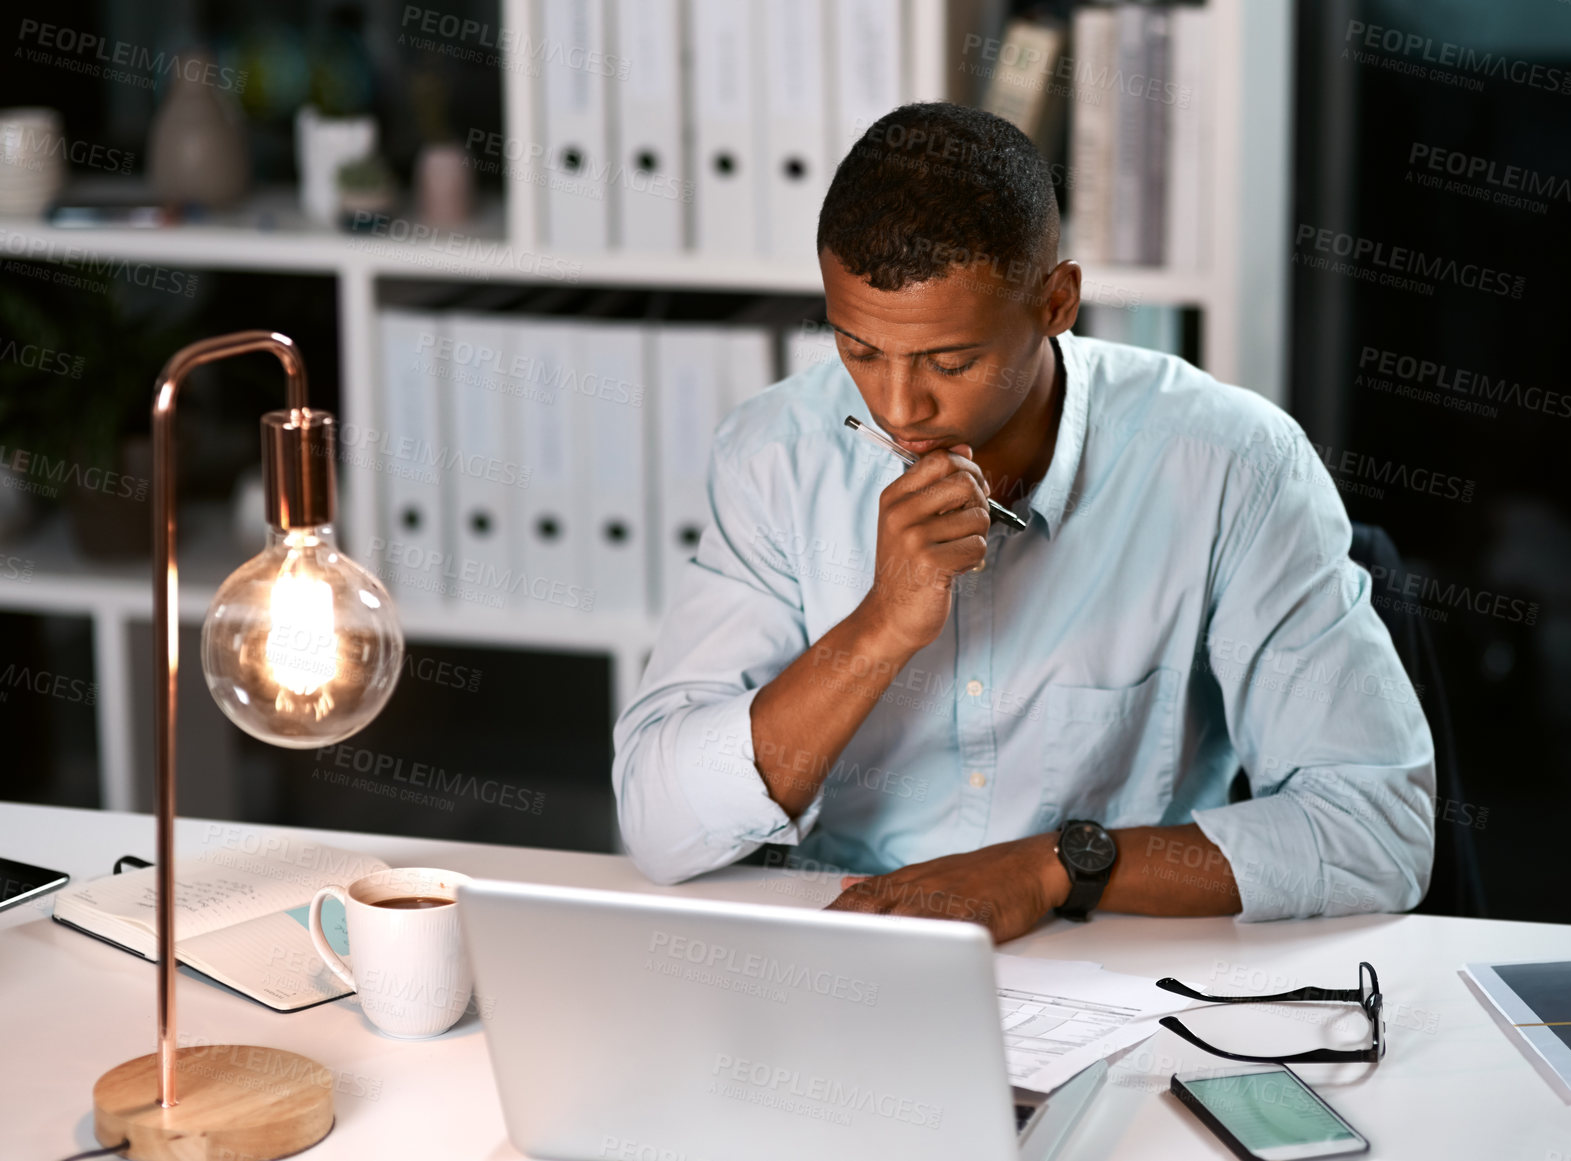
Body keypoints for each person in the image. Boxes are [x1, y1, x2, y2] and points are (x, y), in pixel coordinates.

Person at [612, 102, 1435, 942]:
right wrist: (880, 629)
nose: (899, 407)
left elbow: (1377, 832)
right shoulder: (774, 452)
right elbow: (658, 820)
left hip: (1107, 954)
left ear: (1057, 302)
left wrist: (1050, 867)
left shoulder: (1230, 464)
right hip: (842, 947)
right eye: (858, 349)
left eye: (951, 360)